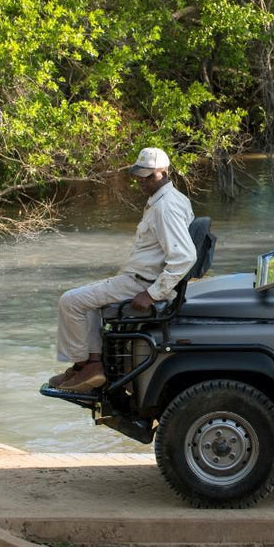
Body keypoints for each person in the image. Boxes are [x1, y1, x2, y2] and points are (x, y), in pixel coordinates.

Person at [49, 147, 196, 393]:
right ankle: (90, 365)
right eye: (140, 175)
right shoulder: (168, 200)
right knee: (85, 302)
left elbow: (184, 256)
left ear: (164, 173)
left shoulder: (165, 207)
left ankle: (87, 365)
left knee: (70, 301)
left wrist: (152, 294)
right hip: (139, 278)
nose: (142, 181)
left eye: (149, 176)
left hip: (142, 283)